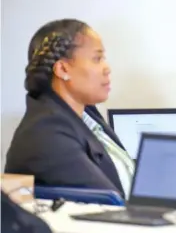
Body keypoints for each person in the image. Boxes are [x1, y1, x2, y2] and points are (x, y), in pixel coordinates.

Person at [5, 19, 134, 198]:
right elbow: (110, 204)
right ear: (63, 69)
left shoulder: (86, 114)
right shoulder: (47, 134)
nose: (107, 68)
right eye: (97, 58)